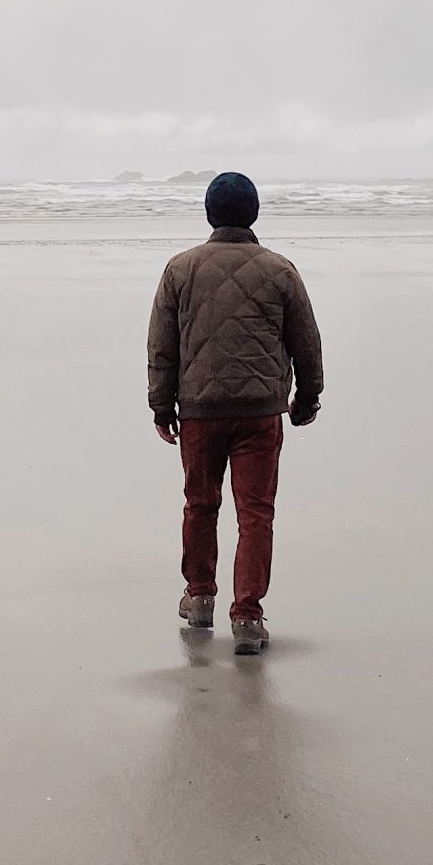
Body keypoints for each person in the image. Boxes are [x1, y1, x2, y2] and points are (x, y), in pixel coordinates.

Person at [147, 172, 323, 654]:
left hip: (200, 412)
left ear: (209, 215)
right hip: (260, 413)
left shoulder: (180, 269)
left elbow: (162, 346)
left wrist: (161, 405)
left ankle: (199, 596)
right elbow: (306, 343)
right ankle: (247, 617)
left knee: (200, 506)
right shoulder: (279, 269)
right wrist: (307, 400)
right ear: (254, 214)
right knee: (256, 514)